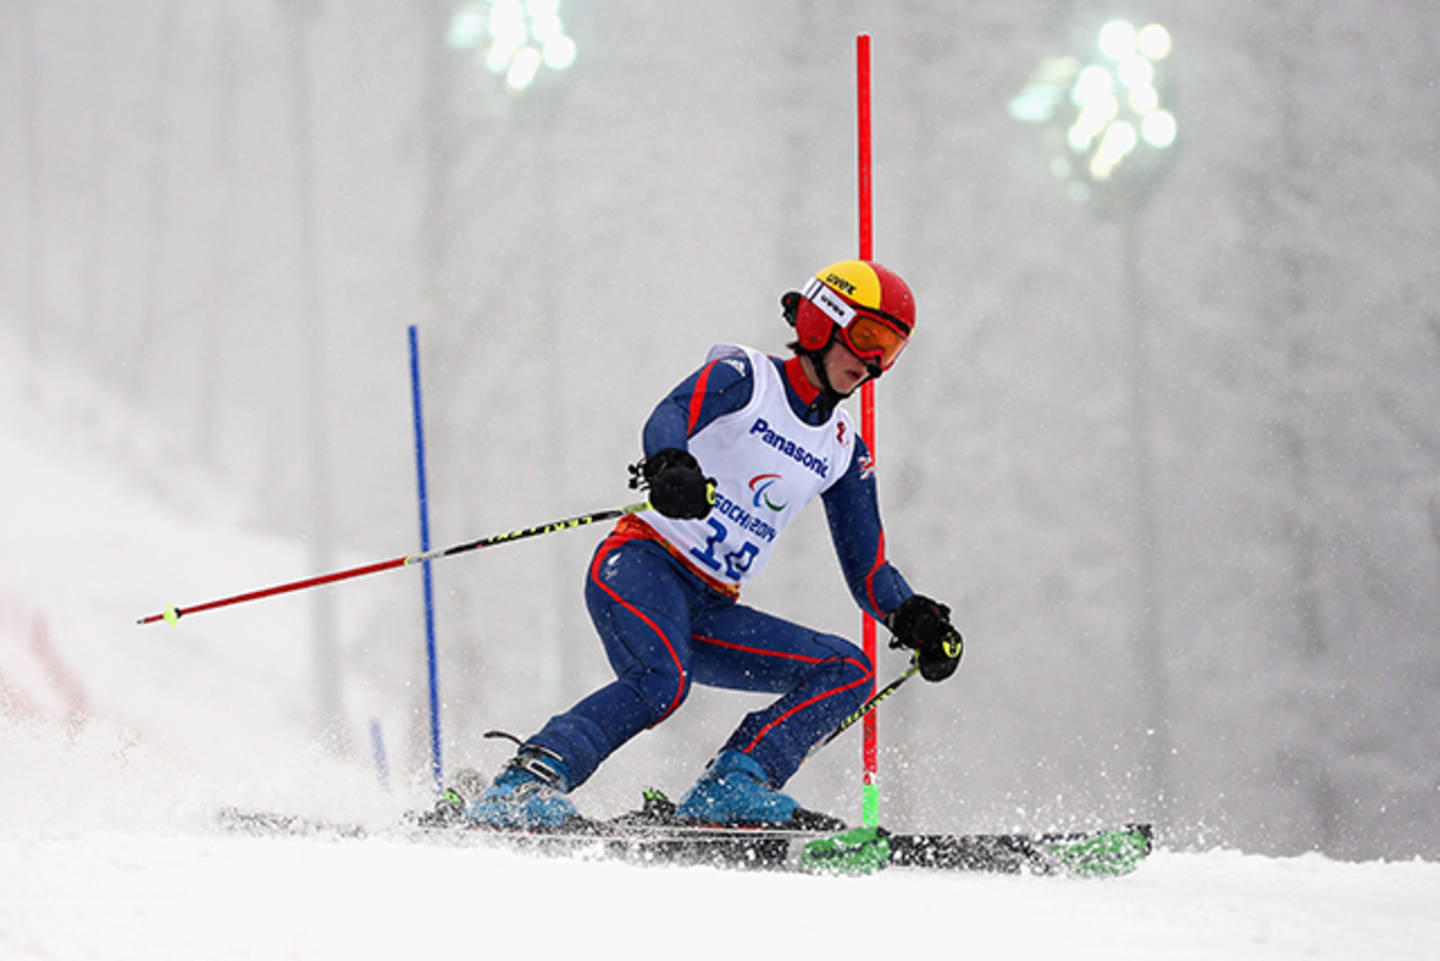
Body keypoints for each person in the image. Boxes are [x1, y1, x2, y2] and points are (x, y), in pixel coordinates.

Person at [464, 259, 963, 829]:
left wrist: (912, 616)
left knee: (848, 669)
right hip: (642, 564)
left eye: (892, 350)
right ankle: (524, 784)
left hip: (710, 605)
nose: (874, 362)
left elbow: (868, 567)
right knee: (660, 683)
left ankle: (734, 784)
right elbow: (672, 412)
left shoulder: (843, 446)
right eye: (869, 338)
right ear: (824, 323)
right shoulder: (748, 377)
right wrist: (670, 463)